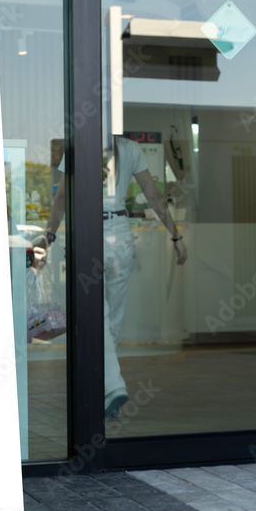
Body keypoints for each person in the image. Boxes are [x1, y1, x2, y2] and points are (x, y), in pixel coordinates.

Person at [34, 135, 187, 418]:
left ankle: (112, 386)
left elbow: (62, 197)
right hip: (121, 235)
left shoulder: (78, 146)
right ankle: (104, 392)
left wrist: (49, 237)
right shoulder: (130, 148)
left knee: (99, 317)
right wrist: (175, 236)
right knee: (111, 320)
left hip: (90, 231)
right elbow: (153, 195)